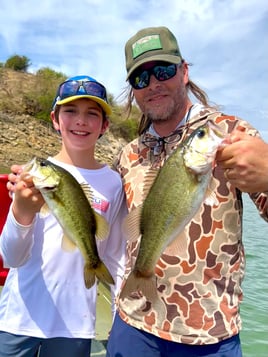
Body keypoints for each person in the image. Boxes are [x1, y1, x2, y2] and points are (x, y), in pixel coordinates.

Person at [106, 26, 268, 357]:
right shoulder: (128, 154)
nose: (153, 84)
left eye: (162, 70)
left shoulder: (229, 132)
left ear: (184, 72)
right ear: (134, 90)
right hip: (134, 325)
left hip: (210, 333)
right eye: (141, 78)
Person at [0, 75, 126, 357]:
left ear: (105, 125)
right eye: (70, 111)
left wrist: (120, 309)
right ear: (55, 119)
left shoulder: (114, 184)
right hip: (17, 320)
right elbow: (11, 257)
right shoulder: (31, 179)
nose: (80, 120)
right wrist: (22, 212)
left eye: (92, 114)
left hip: (75, 326)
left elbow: (116, 255)